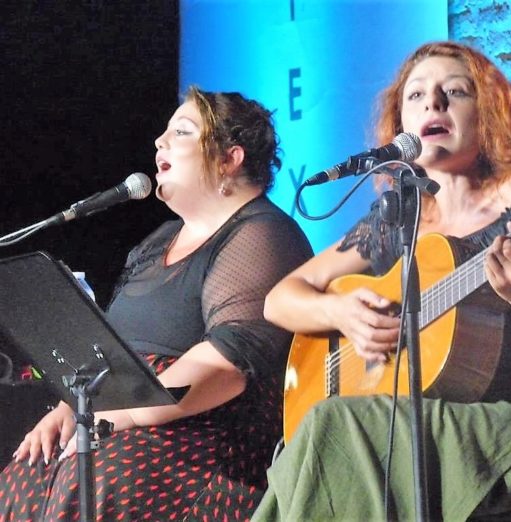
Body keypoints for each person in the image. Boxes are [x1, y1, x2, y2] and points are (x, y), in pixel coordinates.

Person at [255, 41, 511, 521]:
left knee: (337, 430)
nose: (434, 103)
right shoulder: (402, 218)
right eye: (416, 95)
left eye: (456, 92)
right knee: (326, 438)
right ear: (401, 124)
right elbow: (280, 299)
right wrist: (341, 312)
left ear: (487, 113)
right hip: (435, 426)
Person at [0, 87, 313, 521]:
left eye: (181, 132)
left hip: (207, 436)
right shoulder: (159, 240)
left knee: (104, 476)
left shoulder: (263, 232)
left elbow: (228, 365)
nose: (159, 142)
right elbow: (109, 349)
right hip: (123, 414)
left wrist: (121, 416)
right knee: (26, 476)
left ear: (230, 159)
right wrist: (70, 409)